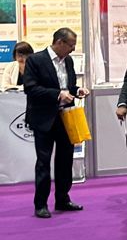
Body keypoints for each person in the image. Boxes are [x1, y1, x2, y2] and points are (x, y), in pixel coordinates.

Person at [23, 28, 88, 218]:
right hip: (44, 118)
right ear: (59, 42)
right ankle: (40, 204)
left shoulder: (68, 60)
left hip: (66, 117)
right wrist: (58, 95)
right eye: (71, 45)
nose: (73, 49)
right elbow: (31, 88)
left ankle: (62, 199)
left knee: (65, 160)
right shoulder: (36, 60)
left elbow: (69, 86)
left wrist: (77, 90)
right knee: (43, 162)